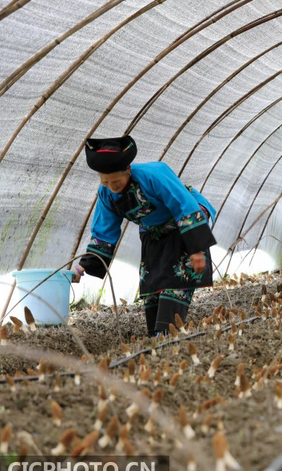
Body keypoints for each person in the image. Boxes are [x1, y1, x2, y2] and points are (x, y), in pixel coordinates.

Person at [72, 136, 217, 337]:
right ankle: (156, 335)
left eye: (116, 181)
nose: (111, 186)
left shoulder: (153, 175)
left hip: (183, 220)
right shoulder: (106, 194)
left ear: (128, 170)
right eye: (105, 181)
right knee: (153, 281)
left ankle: (167, 333)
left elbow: (182, 205)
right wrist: (82, 267)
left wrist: (196, 250)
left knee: (176, 279)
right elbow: (104, 232)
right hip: (153, 231)